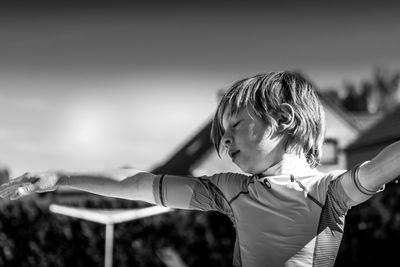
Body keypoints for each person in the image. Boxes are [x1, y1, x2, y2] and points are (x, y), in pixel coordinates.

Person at [0, 71, 399, 267]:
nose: (224, 142)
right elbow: (141, 183)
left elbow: (383, 165)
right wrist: (58, 179)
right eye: (221, 134)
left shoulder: (330, 192)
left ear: (286, 119)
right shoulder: (230, 189)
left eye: (236, 126)